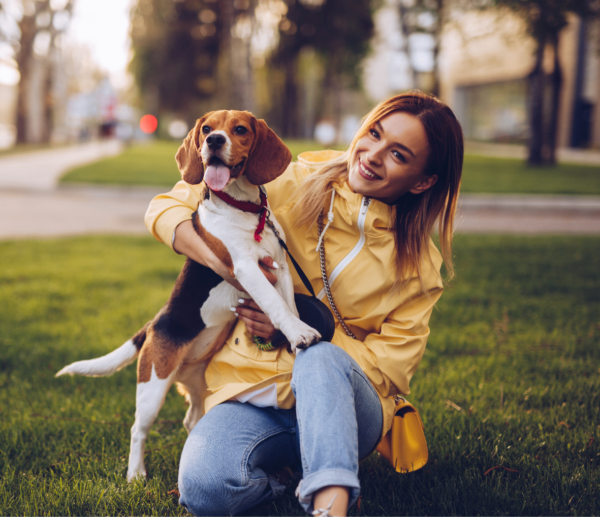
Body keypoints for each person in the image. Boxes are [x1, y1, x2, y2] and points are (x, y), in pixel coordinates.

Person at [145, 91, 463, 517]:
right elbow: (169, 205)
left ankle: (331, 504)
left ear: (423, 180)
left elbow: (393, 370)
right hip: (252, 392)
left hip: (350, 409)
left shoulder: (421, 265)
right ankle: (291, 481)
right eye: (374, 133)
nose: (372, 155)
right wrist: (222, 263)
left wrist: (309, 329)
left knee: (318, 357)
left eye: (399, 155)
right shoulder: (292, 179)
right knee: (205, 489)